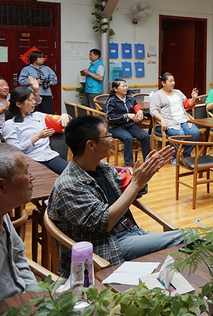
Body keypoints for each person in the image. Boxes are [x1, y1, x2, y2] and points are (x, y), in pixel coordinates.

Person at [47, 115, 182, 278]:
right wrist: (136, 183)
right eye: (107, 136)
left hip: (131, 232)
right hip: (108, 246)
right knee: (187, 238)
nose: (111, 139)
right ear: (91, 145)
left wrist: (144, 176)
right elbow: (106, 223)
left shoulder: (102, 167)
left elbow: (127, 192)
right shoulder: (69, 185)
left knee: (186, 246)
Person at [2, 86, 70, 174]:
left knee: (73, 174)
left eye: (33, 99)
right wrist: (37, 137)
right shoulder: (10, 125)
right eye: (30, 100)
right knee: (47, 178)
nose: (34, 102)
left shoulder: (38, 116)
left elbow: (63, 121)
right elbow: (15, 150)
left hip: (49, 155)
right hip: (31, 159)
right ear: (18, 104)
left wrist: (65, 116)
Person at [0, 144, 36, 299]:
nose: (32, 178)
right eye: (26, 172)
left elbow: (18, 257)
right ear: (1, 185)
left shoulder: (4, 213)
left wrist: (33, 294)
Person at [149, 72, 200, 159]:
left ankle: (186, 154)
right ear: (163, 83)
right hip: (168, 122)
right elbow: (153, 111)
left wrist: (193, 98)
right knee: (179, 134)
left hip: (183, 120)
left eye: (173, 81)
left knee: (195, 133)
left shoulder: (178, 92)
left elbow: (186, 104)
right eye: (170, 81)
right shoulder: (157, 95)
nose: (173, 83)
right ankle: (174, 157)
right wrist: (162, 120)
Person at [105, 78, 152, 166]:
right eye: (123, 86)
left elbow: (136, 107)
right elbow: (110, 117)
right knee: (128, 138)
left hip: (130, 125)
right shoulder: (111, 101)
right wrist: (126, 115)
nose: (125, 88)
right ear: (115, 89)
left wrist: (139, 111)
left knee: (145, 136)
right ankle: (129, 164)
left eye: (126, 86)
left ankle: (148, 161)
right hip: (116, 127)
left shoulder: (130, 99)